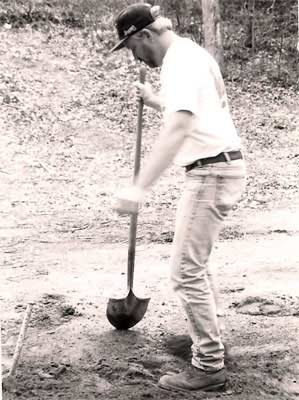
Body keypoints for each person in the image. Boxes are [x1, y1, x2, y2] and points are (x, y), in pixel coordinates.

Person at [110, 3, 246, 393]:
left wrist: (139, 187)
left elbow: (180, 126)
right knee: (196, 266)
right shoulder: (189, 54)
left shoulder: (179, 62)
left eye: (131, 47)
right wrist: (156, 99)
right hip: (219, 166)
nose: (134, 56)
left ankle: (208, 365)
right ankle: (212, 343)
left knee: (185, 272)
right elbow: (200, 110)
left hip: (211, 171)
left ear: (144, 35)